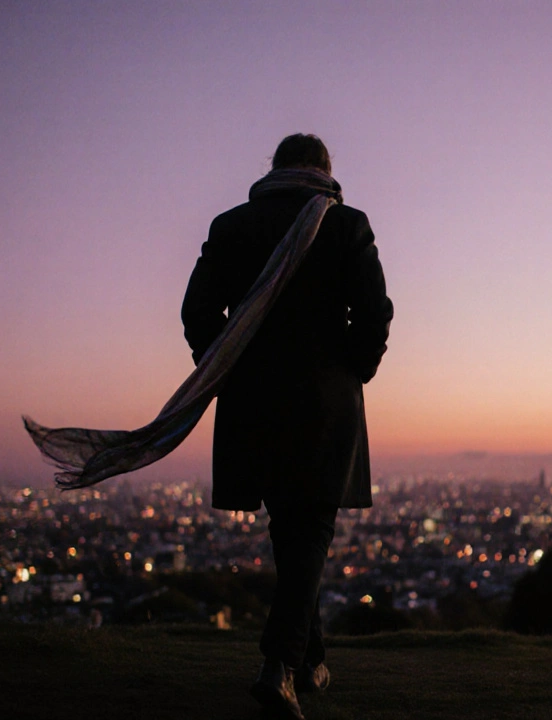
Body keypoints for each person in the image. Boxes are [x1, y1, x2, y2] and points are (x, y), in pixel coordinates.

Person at [180, 134, 392, 720]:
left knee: (294, 532)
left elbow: (196, 312)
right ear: (325, 171)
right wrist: (353, 370)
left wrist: (227, 363)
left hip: (254, 401)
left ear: (274, 169)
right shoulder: (346, 223)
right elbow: (374, 312)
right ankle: (279, 667)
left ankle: (312, 661)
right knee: (312, 528)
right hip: (324, 402)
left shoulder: (231, 226)